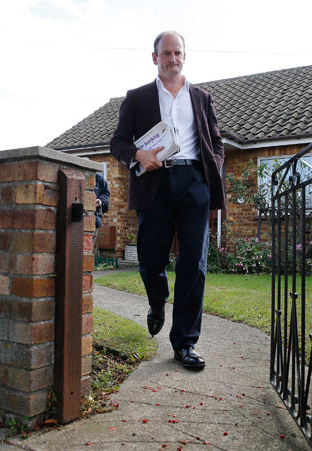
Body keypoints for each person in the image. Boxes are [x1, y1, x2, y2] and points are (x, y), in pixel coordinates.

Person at [110, 31, 226, 369]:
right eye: (166, 53)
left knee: (194, 262)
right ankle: (157, 301)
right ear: (155, 57)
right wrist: (138, 155)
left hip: (194, 182)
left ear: (184, 56)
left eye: (178, 53)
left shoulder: (202, 98)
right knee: (149, 259)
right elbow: (118, 142)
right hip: (155, 183)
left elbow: (216, 144)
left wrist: (210, 172)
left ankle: (185, 343)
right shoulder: (137, 98)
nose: (172, 58)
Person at [93, 172, 110, 251]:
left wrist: (100, 200)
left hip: (95, 217)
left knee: (88, 249)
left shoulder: (99, 179)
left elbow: (106, 194)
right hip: (79, 217)